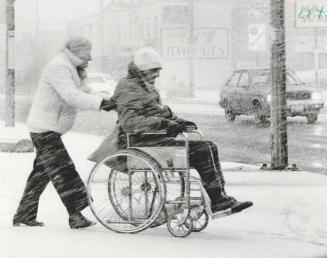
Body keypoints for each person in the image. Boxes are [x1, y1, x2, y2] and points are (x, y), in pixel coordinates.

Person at [90, 48, 253, 216]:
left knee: (210, 147)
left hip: (150, 141)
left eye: (158, 70)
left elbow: (158, 112)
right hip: (140, 144)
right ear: (142, 70)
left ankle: (219, 196)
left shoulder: (142, 86)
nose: (157, 75)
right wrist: (166, 125)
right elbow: (131, 123)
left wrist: (179, 123)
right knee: (203, 150)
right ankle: (217, 198)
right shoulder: (130, 88)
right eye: (154, 70)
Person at [13, 36, 116, 228]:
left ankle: (23, 215)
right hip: (43, 129)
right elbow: (71, 96)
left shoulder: (72, 68)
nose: (91, 57)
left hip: (49, 128)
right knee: (64, 170)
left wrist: (108, 99)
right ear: (77, 51)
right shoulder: (59, 66)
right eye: (88, 53)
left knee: (41, 174)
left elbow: (85, 91)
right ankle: (75, 216)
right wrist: (102, 104)